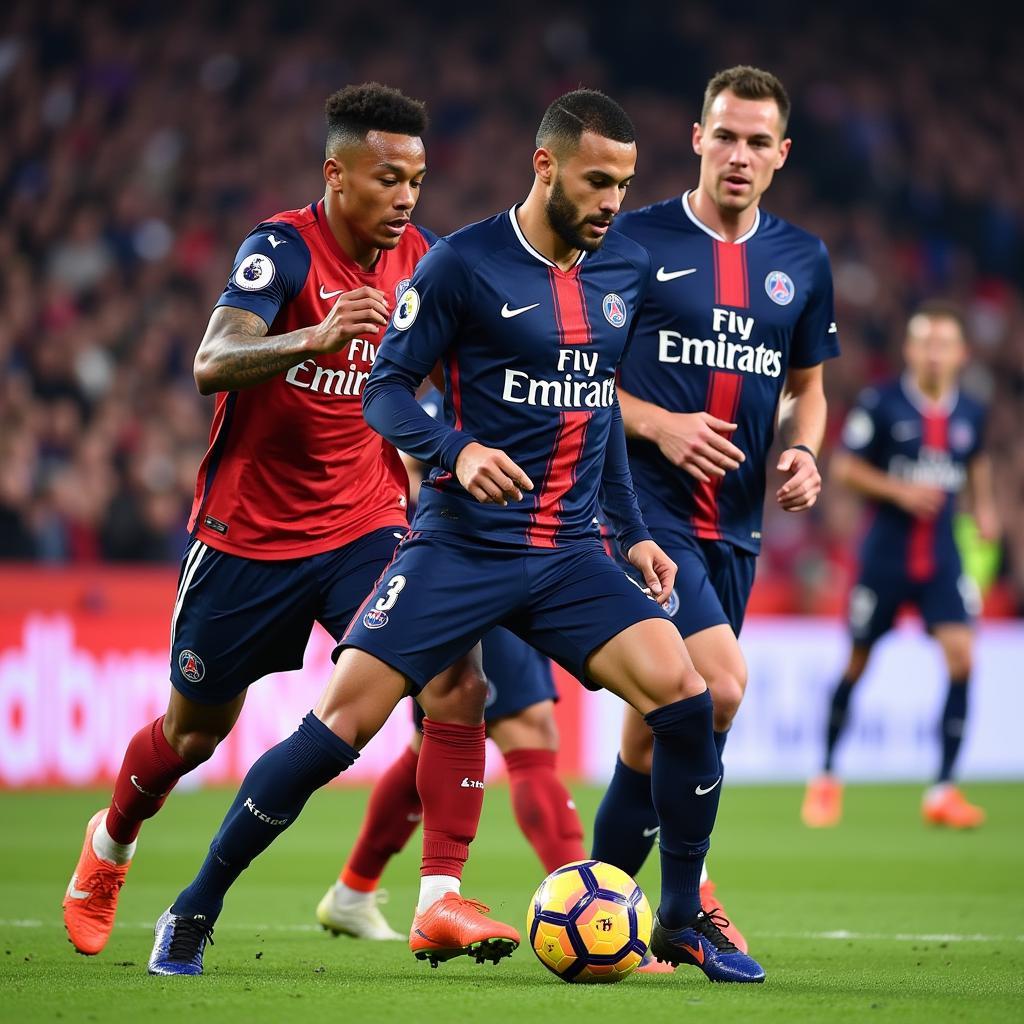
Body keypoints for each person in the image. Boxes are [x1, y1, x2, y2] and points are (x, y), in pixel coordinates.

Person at [147, 88, 766, 984]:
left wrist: (630, 536)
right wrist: (457, 447)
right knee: (341, 724)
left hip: (567, 553)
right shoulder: (462, 265)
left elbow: (596, 415)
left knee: (689, 693)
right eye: (597, 182)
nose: (611, 204)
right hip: (461, 548)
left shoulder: (623, 271)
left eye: (625, 187)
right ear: (545, 165)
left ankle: (678, 920)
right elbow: (387, 388)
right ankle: (194, 907)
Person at [63, 82, 493, 960]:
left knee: (455, 672)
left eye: (416, 179)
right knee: (193, 734)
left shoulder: (429, 260)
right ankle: (109, 846)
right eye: (385, 178)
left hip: (366, 523)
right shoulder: (281, 250)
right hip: (247, 535)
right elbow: (210, 360)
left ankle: (441, 894)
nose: (405, 196)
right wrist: (312, 339)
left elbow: (476, 373)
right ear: (336, 175)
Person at [588, 65, 839, 957]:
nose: (739, 155)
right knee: (719, 687)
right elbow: (575, 379)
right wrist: (661, 424)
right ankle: (684, 909)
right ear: (696, 138)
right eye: (724, 135)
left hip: (737, 528)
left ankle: (607, 917)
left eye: (757, 141)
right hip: (643, 515)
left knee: (655, 736)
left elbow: (809, 391)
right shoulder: (635, 240)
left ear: (781, 155)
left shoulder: (801, 260)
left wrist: (805, 449)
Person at [317, 404, 585, 941]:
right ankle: (585, 906)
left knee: (433, 742)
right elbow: (410, 473)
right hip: (467, 561)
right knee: (527, 729)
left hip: (517, 552)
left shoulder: (479, 379)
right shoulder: (437, 399)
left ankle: (353, 889)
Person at [802, 302, 998, 829]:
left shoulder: (972, 411)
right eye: (925, 343)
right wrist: (899, 490)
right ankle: (824, 777)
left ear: (961, 354)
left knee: (962, 658)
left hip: (941, 557)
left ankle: (943, 790)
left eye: (944, 344)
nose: (934, 353)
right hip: (885, 556)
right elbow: (843, 467)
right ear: (910, 350)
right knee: (858, 662)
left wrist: (984, 508)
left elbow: (976, 458)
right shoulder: (882, 403)